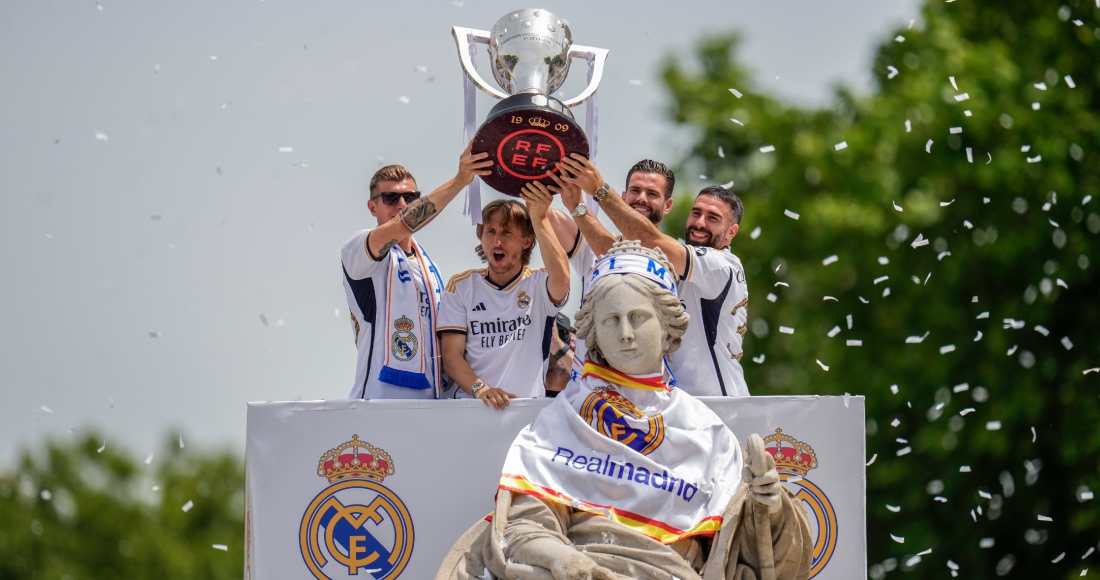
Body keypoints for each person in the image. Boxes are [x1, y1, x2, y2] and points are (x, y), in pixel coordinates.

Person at [435, 242, 811, 580]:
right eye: (610, 320)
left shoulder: (705, 430)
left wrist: (769, 506)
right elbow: (523, 527)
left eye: (638, 317)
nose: (625, 334)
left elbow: (752, 552)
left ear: (667, 326)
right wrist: (561, 558)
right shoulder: (565, 418)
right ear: (594, 333)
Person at [551, 154, 750, 397]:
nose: (699, 223)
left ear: (731, 232)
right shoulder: (679, 261)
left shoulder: (722, 266)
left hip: (719, 403)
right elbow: (620, 254)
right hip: (674, 403)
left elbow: (646, 239)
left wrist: (599, 190)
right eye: (696, 213)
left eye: (713, 218)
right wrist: (574, 205)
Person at [341, 143, 492, 400]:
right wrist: (459, 181)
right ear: (372, 207)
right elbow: (402, 225)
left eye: (411, 198)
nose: (402, 205)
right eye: (391, 198)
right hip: (379, 402)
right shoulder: (358, 249)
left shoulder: (429, 267)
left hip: (432, 404)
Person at [437, 182, 570, 410]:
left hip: (526, 412)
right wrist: (482, 391)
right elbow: (451, 356)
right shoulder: (460, 286)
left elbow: (562, 281)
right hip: (472, 410)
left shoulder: (538, 283)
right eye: (490, 232)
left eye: (507, 232)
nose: (497, 241)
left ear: (527, 241)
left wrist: (539, 219)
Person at [544, 314, 575, 398]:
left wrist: (557, 344)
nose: (570, 346)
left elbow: (589, 378)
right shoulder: (519, 391)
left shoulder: (585, 396)